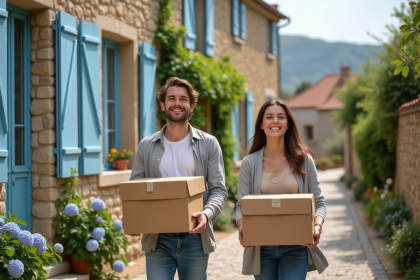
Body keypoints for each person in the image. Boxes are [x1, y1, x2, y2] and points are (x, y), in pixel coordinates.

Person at [125, 77, 227, 280]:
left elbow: (219, 190)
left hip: (195, 237)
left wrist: (206, 214)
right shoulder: (146, 145)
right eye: (171, 98)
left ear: (192, 106)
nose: (177, 103)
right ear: (163, 105)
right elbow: (135, 188)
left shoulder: (208, 144)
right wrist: (134, 216)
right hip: (158, 238)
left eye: (183, 99)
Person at [236, 99, 328, 279]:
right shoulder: (249, 163)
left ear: (288, 125)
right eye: (269, 117)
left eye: (281, 117)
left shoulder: (304, 160)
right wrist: (242, 227)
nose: (275, 121)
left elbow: (319, 203)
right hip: (261, 247)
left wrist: (317, 226)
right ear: (261, 125)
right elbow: (241, 206)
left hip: (296, 245)